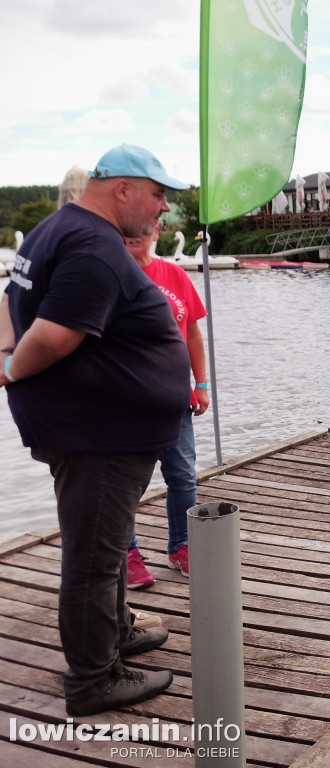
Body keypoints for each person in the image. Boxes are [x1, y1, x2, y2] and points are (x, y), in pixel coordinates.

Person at [1, 144, 189, 715]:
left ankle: (116, 631)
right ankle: (93, 680)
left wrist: (9, 355)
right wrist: (11, 368)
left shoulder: (53, 230)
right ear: (124, 189)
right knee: (94, 559)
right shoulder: (94, 245)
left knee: (104, 541)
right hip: (98, 434)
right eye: (158, 196)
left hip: (94, 426)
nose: (162, 211)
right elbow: (55, 335)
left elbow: (10, 302)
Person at [123, 230, 209, 587]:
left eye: (146, 229)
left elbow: (191, 332)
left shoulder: (174, 273)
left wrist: (201, 384)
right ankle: (126, 555)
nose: (137, 236)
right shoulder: (111, 272)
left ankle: (181, 546)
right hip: (127, 402)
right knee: (125, 484)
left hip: (175, 398)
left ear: (157, 231)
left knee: (183, 475)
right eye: (128, 231)